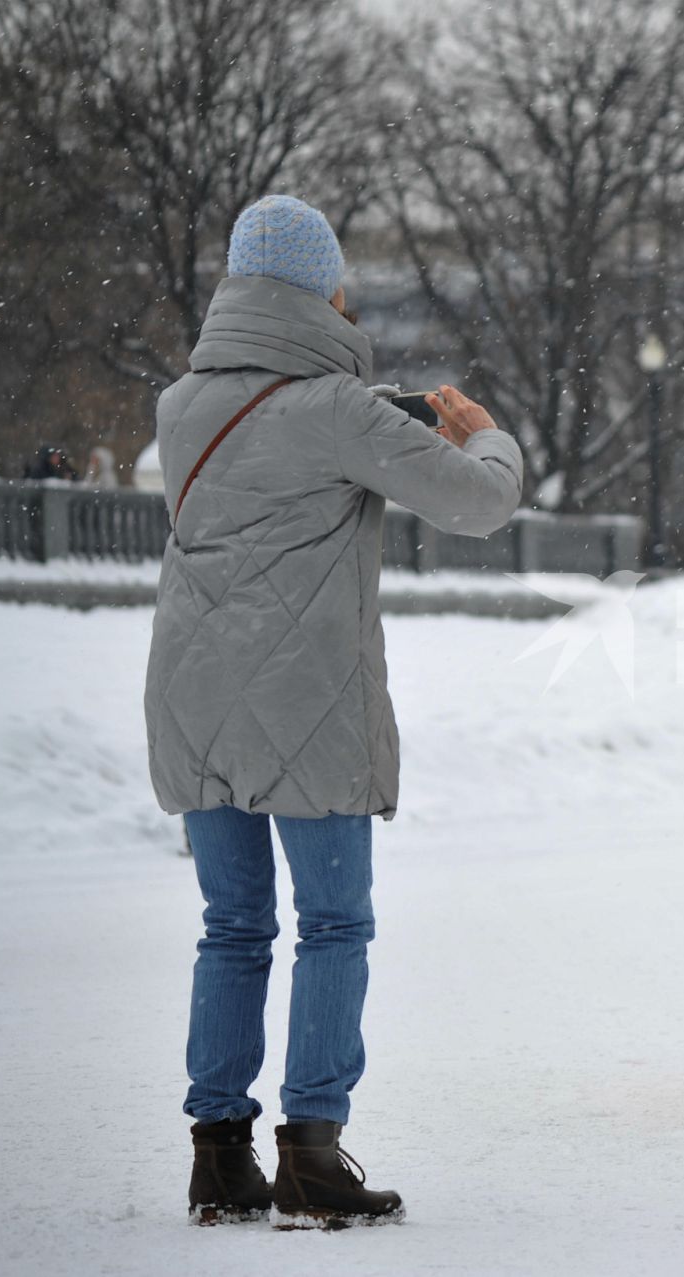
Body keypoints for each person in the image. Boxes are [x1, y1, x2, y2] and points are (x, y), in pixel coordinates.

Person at [145, 194, 524, 1226]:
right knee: (334, 921)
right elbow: (479, 502)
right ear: (325, 289)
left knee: (232, 925)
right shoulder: (339, 411)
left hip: (190, 694)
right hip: (305, 701)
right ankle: (313, 1156)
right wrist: (489, 439)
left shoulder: (181, 405)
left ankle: (218, 1156)